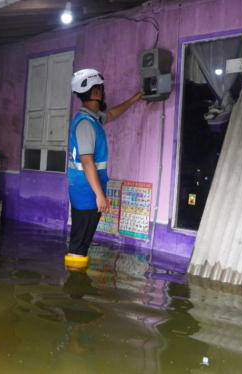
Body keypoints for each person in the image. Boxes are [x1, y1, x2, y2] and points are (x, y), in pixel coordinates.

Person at [66, 69, 143, 267]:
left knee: (82, 241)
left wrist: (133, 100)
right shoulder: (85, 124)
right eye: (102, 88)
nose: (104, 92)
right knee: (79, 244)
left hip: (87, 191)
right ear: (97, 92)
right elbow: (87, 161)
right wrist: (100, 195)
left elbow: (110, 114)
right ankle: (74, 290)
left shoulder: (92, 119)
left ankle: (76, 290)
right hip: (87, 193)